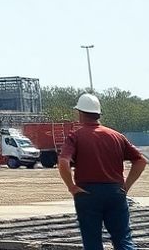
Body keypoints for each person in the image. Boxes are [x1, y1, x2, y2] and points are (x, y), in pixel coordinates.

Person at [58, 93, 145, 250]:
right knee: (123, 239)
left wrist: (71, 186)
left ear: (81, 113)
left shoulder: (75, 136)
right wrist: (126, 186)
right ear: (98, 114)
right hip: (115, 191)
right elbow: (140, 161)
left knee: (92, 242)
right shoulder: (116, 136)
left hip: (87, 193)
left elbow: (63, 162)